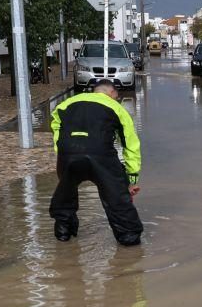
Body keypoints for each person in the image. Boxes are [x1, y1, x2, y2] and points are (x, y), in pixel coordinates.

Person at [48, 80, 143, 246]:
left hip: (68, 154)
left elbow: (57, 130)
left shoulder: (66, 104)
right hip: (101, 155)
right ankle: (130, 243)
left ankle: (63, 234)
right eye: (117, 96)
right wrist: (132, 178)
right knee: (117, 201)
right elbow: (130, 144)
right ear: (112, 93)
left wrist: (64, 156)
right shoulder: (116, 108)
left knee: (65, 195)